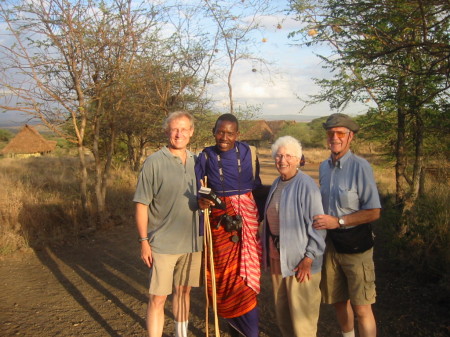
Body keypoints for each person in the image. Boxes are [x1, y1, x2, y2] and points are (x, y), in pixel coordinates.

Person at [133, 111, 203, 337]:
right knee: (158, 297)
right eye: (174, 129)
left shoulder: (198, 162)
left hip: (192, 243)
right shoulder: (154, 162)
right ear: (167, 132)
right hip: (162, 244)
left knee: (184, 292)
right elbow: (142, 204)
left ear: (191, 132)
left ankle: (179, 333)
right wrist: (144, 241)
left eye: (184, 129)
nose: (179, 134)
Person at [312, 113, 382, 337]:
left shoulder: (361, 167)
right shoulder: (324, 167)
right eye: (331, 133)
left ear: (350, 137)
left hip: (356, 247)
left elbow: (374, 211)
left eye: (340, 133)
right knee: (338, 302)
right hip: (330, 247)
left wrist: (339, 221)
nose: (335, 137)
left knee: (362, 307)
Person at [195, 113, 263, 337]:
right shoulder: (205, 156)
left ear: (238, 135)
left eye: (229, 133)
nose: (224, 137)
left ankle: (250, 331)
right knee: (224, 276)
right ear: (214, 132)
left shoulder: (249, 153)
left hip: (246, 224)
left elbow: (257, 188)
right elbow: (197, 189)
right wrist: (201, 199)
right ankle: (233, 324)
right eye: (220, 132)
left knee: (245, 277)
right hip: (218, 226)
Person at [262, 136, 326, 337]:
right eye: (279, 155)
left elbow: (319, 224)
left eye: (288, 156)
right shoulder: (276, 183)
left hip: (300, 263)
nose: (282, 160)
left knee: (302, 322)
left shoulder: (306, 185)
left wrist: (309, 258)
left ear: (298, 159)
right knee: (283, 316)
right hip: (277, 260)